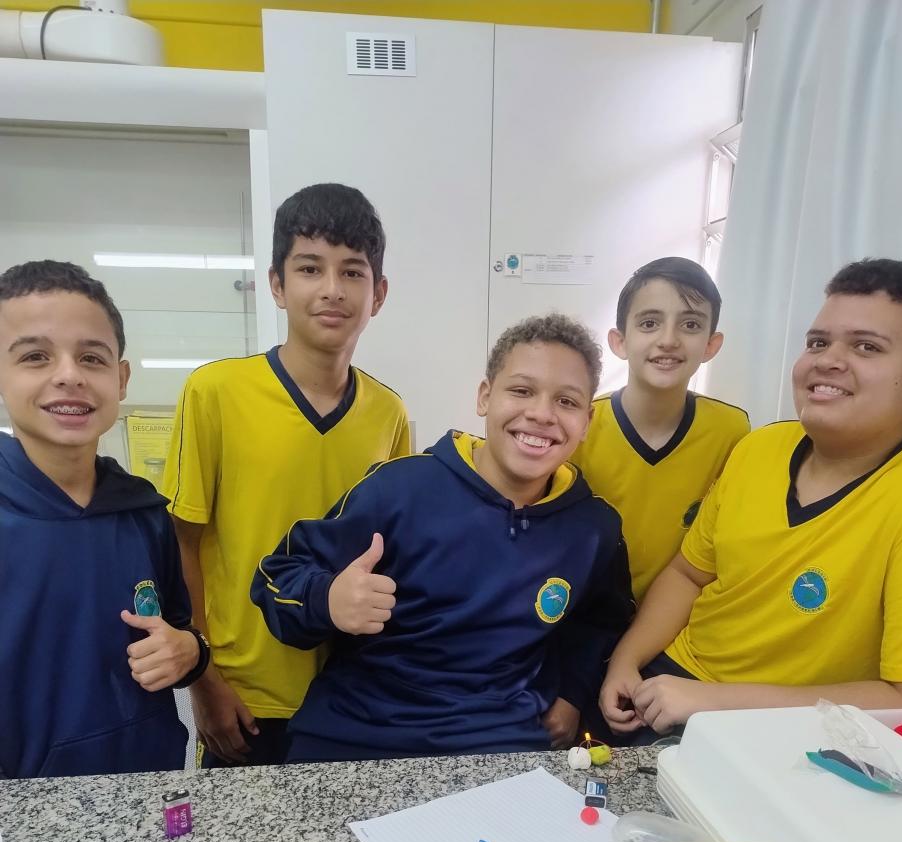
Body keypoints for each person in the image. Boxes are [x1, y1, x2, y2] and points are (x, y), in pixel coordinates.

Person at [252, 313, 634, 762]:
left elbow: (600, 622)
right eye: (521, 391)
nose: (541, 413)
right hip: (356, 735)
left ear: (587, 421)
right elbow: (278, 575)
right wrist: (328, 599)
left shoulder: (594, 528)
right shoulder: (398, 488)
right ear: (485, 396)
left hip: (501, 742)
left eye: (566, 401)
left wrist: (571, 692)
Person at [600, 257, 902, 738]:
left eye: (866, 347)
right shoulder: (759, 447)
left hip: (781, 727)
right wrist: (626, 660)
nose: (827, 360)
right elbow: (689, 573)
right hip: (664, 679)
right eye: (818, 342)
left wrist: (714, 703)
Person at [162, 183, 409, 768]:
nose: (332, 289)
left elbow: (393, 551)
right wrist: (205, 680)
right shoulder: (215, 392)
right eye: (310, 268)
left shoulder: (389, 414)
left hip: (355, 696)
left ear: (378, 294)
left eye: (352, 272)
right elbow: (181, 543)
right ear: (277, 284)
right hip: (246, 697)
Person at [0, 260, 208, 779]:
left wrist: (189, 652)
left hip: (148, 784)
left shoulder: (146, 512)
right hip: (24, 805)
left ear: (121, 378)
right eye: (35, 356)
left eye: (91, 357)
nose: (69, 374)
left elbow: (179, 634)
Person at [573, 256, 748, 601]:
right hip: (584, 611)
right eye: (650, 323)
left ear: (711, 345)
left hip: (680, 615)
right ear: (620, 341)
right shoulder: (581, 424)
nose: (668, 340)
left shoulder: (731, 431)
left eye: (691, 325)